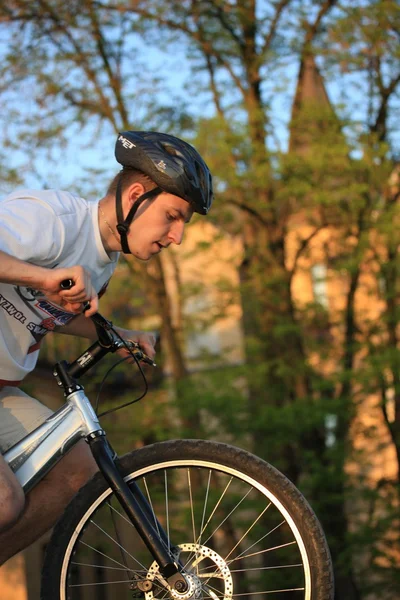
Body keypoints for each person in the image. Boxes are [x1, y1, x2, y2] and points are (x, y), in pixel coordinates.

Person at [0, 130, 213, 564]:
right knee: (5, 501)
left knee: (81, 469)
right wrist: (43, 277)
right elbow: (46, 284)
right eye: (173, 216)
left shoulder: (103, 264)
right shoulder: (54, 219)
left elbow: (55, 307)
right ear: (136, 195)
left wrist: (115, 333)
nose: (176, 237)